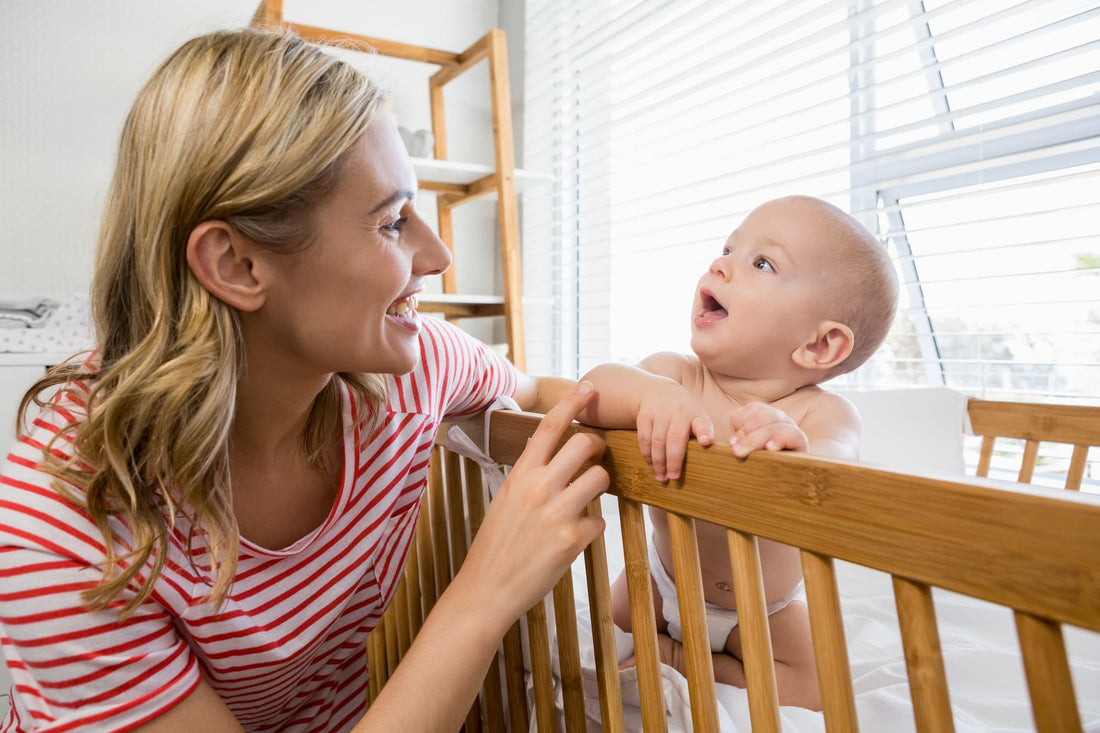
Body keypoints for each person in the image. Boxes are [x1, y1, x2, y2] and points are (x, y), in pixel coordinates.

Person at [0, 28, 610, 732]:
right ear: (237, 265)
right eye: (391, 222)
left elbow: (535, 394)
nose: (439, 255)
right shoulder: (62, 526)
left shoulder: (410, 371)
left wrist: (670, 391)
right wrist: (486, 591)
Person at [576, 195, 899, 710]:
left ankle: (680, 658)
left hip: (763, 610)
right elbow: (589, 392)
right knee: (590, 653)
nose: (720, 264)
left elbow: (835, 472)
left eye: (762, 263)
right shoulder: (673, 376)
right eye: (728, 248)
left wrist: (798, 451)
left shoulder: (823, 415)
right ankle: (661, 646)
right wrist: (646, 395)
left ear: (819, 347)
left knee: (819, 694)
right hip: (657, 581)